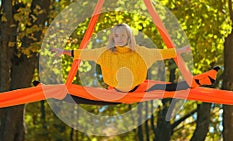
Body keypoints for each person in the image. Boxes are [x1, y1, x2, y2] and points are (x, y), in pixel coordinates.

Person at [52, 23, 218, 93]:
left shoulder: (141, 52)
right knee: (81, 95)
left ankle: (205, 78)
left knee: (173, 88)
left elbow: (162, 53)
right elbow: (83, 54)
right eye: (117, 35)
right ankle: (48, 88)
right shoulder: (105, 53)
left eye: (123, 35)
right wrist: (63, 51)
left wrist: (180, 50)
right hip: (114, 92)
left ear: (129, 37)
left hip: (139, 89)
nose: (120, 38)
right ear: (113, 38)